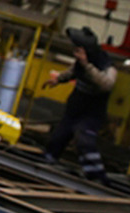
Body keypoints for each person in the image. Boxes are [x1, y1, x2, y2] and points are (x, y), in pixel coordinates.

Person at [42, 27, 115, 183]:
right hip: (74, 109)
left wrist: (86, 64)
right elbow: (72, 71)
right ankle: (47, 163)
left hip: (91, 114)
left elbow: (106, 85)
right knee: (58, 138)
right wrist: (58, 79)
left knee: (85, 141)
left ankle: (97, 178)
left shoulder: (106, 65)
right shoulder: (79, 64)